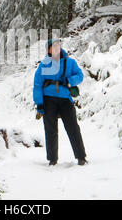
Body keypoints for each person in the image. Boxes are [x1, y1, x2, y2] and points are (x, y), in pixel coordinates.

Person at [33, 38, 87, 166]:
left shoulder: (70, 62)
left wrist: (70, 81)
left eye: (57, 46)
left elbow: (80, 75)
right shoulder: (44, 64)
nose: (55, 48)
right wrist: (39, 103)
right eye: (52, 47)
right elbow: (37, 85)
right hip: (48, 100)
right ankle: (52, 159)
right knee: (50, 130)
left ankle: (81, 157)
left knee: (73, 127)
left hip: (65, 99)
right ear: (48, 50)